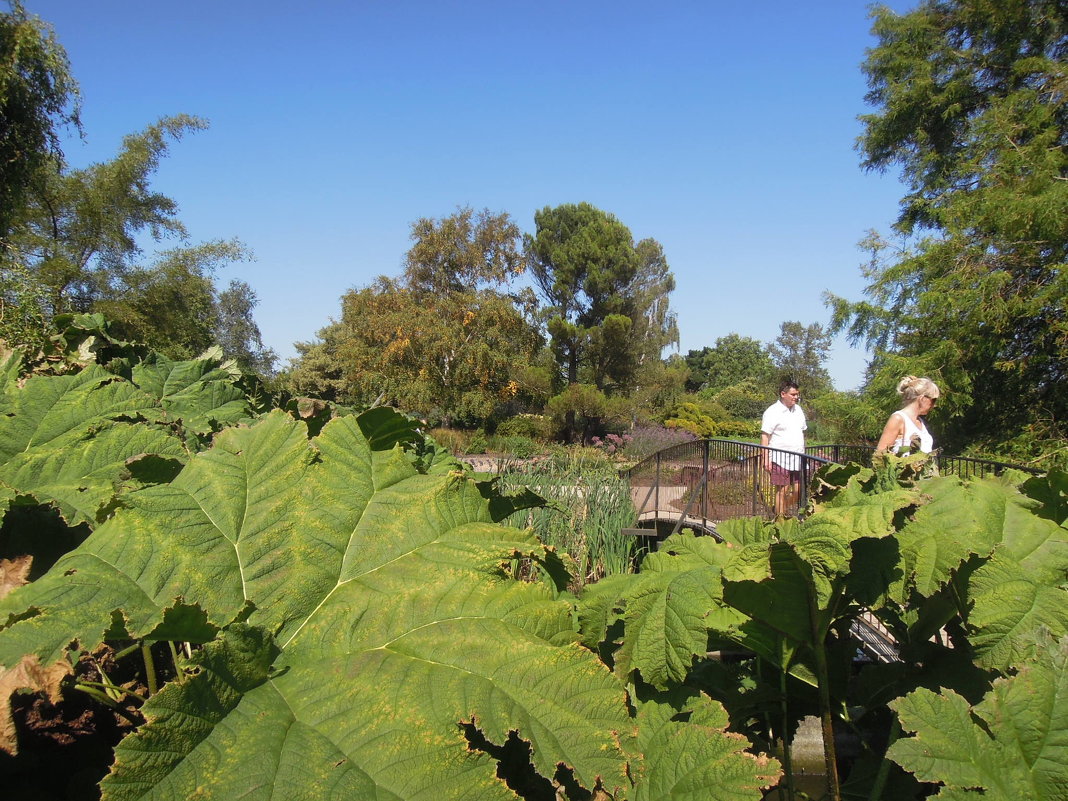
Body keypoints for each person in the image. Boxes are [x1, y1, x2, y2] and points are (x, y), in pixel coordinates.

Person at [761, 380, 806, 517]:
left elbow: (802, 431)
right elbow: (765, 437)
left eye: (797, 394)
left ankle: (779, 510)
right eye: (793, 394)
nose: (796, 397)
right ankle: (780, 522)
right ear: (783, 394)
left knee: (799, 491)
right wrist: (765, 459)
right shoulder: (772, 412)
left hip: (797, 458)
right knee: (782, 491)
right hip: (779, 458)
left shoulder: (798, 410)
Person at [875, 376, 940, 454]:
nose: (934, 405)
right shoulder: (898, 418)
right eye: (933, 400)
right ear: (922, 398)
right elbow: (880, 454)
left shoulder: (920, 421)